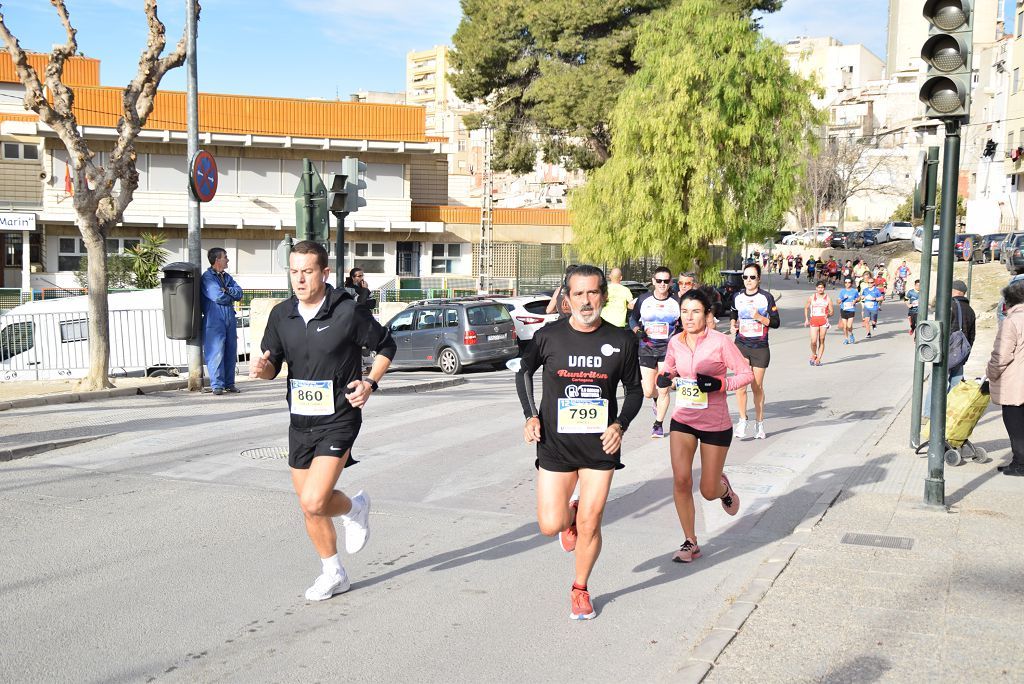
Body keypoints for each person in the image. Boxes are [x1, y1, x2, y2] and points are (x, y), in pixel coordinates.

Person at [249, 240, 396, 601]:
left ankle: (354, 508)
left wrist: (370, 382)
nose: (299, 279)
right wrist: (263, 368)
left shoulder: (348, 311)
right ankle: (334, 572)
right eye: (294, 271)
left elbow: (387, 345)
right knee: (309, 506)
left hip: (339, 418)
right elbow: (273, 367)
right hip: (300, 421)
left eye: (307, 271)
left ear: (324, 273)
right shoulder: (282, 315)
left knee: (315, 500)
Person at [516, 264, 643, 620]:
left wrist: (620, 424)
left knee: (592, 521)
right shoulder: (549, 336)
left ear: (603, 295)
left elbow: (634, 390)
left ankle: (580, 588)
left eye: (592, 293)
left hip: (601, 446)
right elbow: (524, 371)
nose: (586, 301)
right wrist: (530, 415)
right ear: (567, 299)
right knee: (549, 525)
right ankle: (568, 516)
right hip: (556, 444)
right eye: (578, 294)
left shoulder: (622, 340)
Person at [657, 289, 753, 562]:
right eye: (684, 311)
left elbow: (745, 374)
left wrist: (721, 384)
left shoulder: (721, 342)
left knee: (708, 491)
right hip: (684, 419)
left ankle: (723, 488)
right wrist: (664, 378)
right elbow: (670, 370)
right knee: (681, 480)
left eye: (695, 311)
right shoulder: (675, 342)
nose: (689, 317)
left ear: (707, 314)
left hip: (715, 423)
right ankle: (690, 541)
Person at [629, 266, 682, 438]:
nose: (662, 284)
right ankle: (655, 400)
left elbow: (684, 324)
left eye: (666, 281)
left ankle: (658, 425)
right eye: (659, 281)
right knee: (648, 391)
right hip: (646, 348)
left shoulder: (676, 302)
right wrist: (638, 331)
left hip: (667, 350)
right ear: (653, 281)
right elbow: (632, 319)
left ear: (670, 283)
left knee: (664, 389)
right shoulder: (643, 300)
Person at [730, 263, 780, 439]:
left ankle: (759, 423)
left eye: (752, 277)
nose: (748, 281)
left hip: (760, 348)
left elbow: (776, 322)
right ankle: (743, 420)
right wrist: (732, 325)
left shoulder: (766, 297)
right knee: (740, 385)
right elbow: (734, 313)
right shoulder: (737, 296)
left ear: (759, 279)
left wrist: (759, 317)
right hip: (741, 346)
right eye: (745, 277)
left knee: (756, 386)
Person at [986, 279, 1024, 476]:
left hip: (1016, 383)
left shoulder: (1012, 321)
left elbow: (1002, 355)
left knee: (1015, 425)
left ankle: (1020, 463)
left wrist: (990, 374)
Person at [201, 247, 244, 395]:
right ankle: (217, 385)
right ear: (217, 260)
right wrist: (227, 292)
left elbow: (239, 293)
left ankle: (229, 383)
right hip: (214, 319)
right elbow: (217, 296)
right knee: (216, 352)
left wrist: (227, 290)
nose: (228, 259)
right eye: (225, 257)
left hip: (229, 318)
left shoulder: (227, 277)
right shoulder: (207, 277)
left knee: (231, 351)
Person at [948, 280, 976, 388]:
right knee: (956, 387)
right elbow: (972, 336)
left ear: (954, 291)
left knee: (936, 386)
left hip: (946, 353)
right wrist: (964, 356)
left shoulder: (949, 306)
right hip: (960, 354)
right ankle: (951, 405)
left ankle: (934, 406)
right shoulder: (970, 310)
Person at [804, 280, 834, 365]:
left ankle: (818, 359)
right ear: (816, 288)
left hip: (823, 321)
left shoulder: (828, 298)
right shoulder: (812, 297)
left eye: (822, 287)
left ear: (824, 288)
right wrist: (806, 319)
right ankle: (814, 354)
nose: (820, 289)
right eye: (819, 287)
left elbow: (832, 311)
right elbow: (806, 307)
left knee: (821, 340)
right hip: (814, 320)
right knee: (813, 341)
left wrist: (828, 315)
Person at [836, 277, 860, 344]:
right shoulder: (842, 291)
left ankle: (851, 334)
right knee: (845, 326)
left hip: (851, 310)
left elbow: (858, 298)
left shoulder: (854, 291)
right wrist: (843, 298)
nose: (847, 284)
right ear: (844, 283)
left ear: (851, 283)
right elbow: (838, 301)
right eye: (846, 282)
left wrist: (855, 300)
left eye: (849, 282)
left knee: (849, 326)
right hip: (843, 309)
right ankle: (846, 338)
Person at [859, 273, 883, 338]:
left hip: (874, 307)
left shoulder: (876, 290)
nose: (869, 284)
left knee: (873, 321)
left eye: (871, 282)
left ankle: (874, 324)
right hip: (866, 307)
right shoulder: (865, 290)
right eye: (868, 282)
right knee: (866, 321)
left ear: (873, 283)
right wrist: (862, 297)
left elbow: (881, 298)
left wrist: (875, 298)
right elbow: (862, 295)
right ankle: (868, 333)